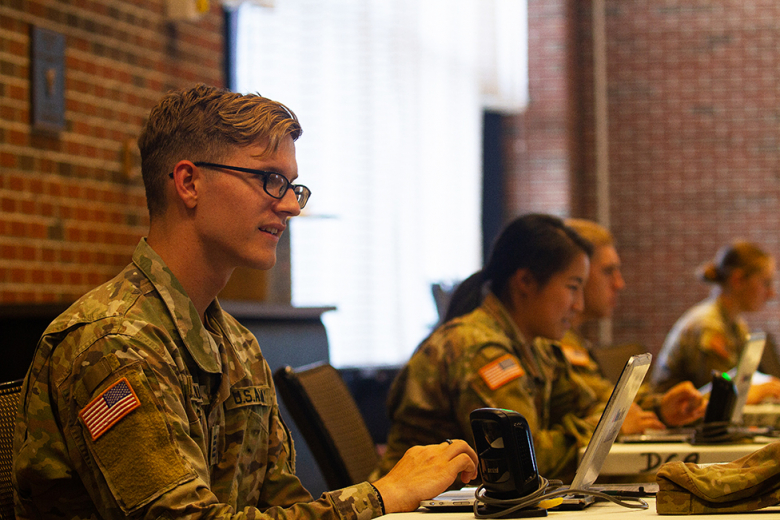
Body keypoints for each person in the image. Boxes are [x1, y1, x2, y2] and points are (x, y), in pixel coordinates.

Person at [12, 84, 477, 520]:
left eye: (292, 185)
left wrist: (403, 494)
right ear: (189, 183)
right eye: (271, 179)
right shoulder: (111, 343)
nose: (292, 205)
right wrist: (383, 495)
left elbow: (281, 506)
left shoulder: (236, 345)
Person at [372, 213, 601, 483]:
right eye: (573, 287)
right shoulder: (480, 350)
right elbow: (523, 459)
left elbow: (587, 404)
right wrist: (602, 431)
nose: (579, 305)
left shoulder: (535, 346)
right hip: (419, 508)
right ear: (525, 282)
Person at [559, 218, 705, 432]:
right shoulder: (549, 340)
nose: (619, 284)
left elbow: (604, 401)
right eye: (608, 271)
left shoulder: (570, 339)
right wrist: (611, 426)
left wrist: (661, 407)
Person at [649, 240, 780, 404]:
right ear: (738, 280)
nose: (771, 293)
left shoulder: (735, 324)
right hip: (673, 424)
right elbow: (720, 397)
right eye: (765, 283)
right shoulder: (707, 326)